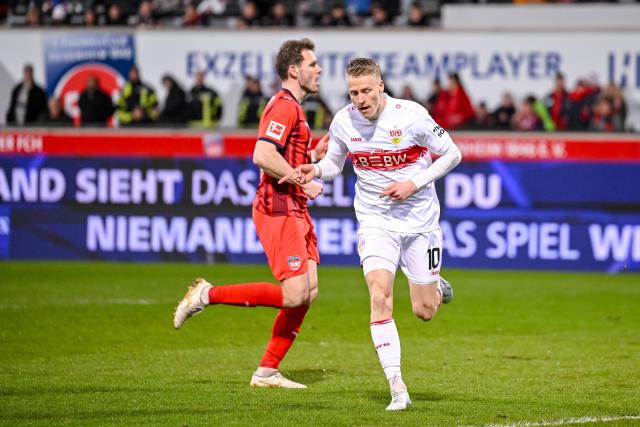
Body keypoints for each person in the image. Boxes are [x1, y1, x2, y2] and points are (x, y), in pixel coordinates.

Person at [279, 57, 460, 411]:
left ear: (380, 86)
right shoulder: (345, 121)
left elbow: (452, 153)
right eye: (353, 92)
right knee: (379, 295)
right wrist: (312, 170)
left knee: (424, 311)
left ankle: (435, 286)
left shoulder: (411, 115)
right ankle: (397, 387)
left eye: (365, 91)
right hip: (375, 220)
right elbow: (334, 164)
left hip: (420, 221)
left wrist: (414, 182)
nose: (359, 99)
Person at [173, 38, 327, 389]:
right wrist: (302, 183)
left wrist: (314, 158)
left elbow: (284, 157)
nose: (319, 70)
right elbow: (262, 155)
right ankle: (205, 295)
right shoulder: (285, 106)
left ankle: (267, 371)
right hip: (278, 207)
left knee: (309, 291)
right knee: (294, 295)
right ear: (294, 70)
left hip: (295, 207)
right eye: (313, 64)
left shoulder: (295, 109)